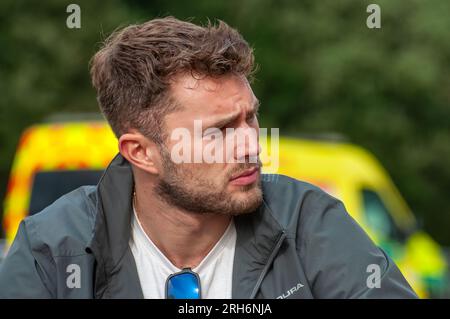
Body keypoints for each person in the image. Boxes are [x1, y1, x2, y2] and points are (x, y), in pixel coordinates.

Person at [0, 16, 417, 299]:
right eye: (218, 130)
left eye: (251, 117)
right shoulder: (52, 250)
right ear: (141, 152)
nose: (251, 144)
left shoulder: (310, 225)